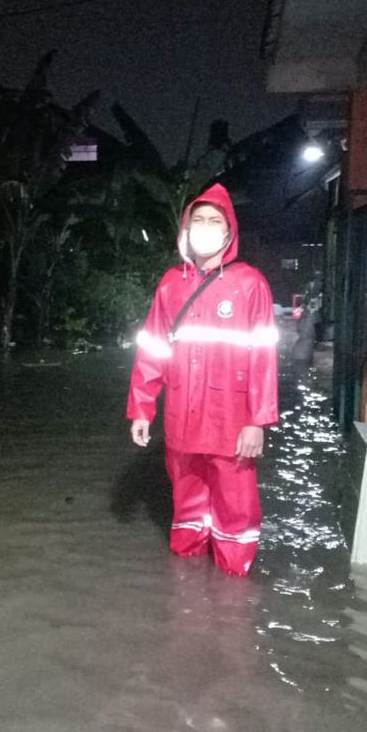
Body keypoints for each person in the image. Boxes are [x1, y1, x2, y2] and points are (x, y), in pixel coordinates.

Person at [127, 183, 279, 577]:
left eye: (215, 221)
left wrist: (256, 421)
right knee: (187, 507)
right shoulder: (170, 284)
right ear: (186, 228)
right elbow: (153, 350)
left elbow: (263, 356)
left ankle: (234, 591)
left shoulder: (251, 284)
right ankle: (187, 587)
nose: (206, 228)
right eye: (199, 220)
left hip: (231, 423)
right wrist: (141, 408)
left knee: (236, 510)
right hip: (182, 419)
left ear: (230, 232)